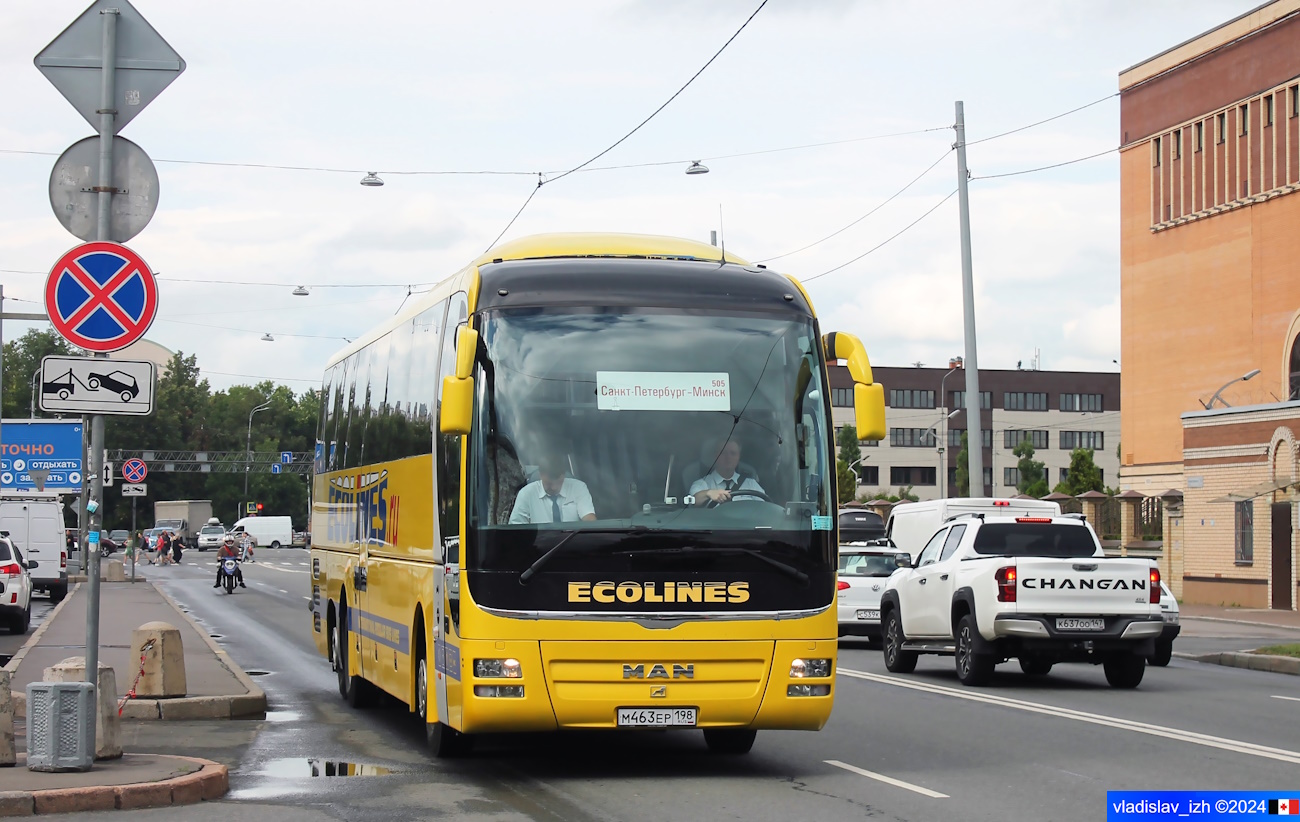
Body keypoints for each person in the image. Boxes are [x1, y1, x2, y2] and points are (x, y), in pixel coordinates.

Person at [509, 452, 596, 524]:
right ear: (540, 475)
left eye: (558, 483)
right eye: (549, 483)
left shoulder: (578, 488)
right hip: (538, 543)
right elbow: (516, 530)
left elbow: (589, 518)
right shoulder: (526, 494)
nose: (554, 488)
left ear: (564, 475)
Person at [690, 438, 765, 506]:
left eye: (733, 453)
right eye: (723, 452)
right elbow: (692, 501)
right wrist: (708, 493)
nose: (728, 457)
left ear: (738, 457)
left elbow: (766, 508)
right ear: (716, 456)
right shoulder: (703, 484)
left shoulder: (751, 484)